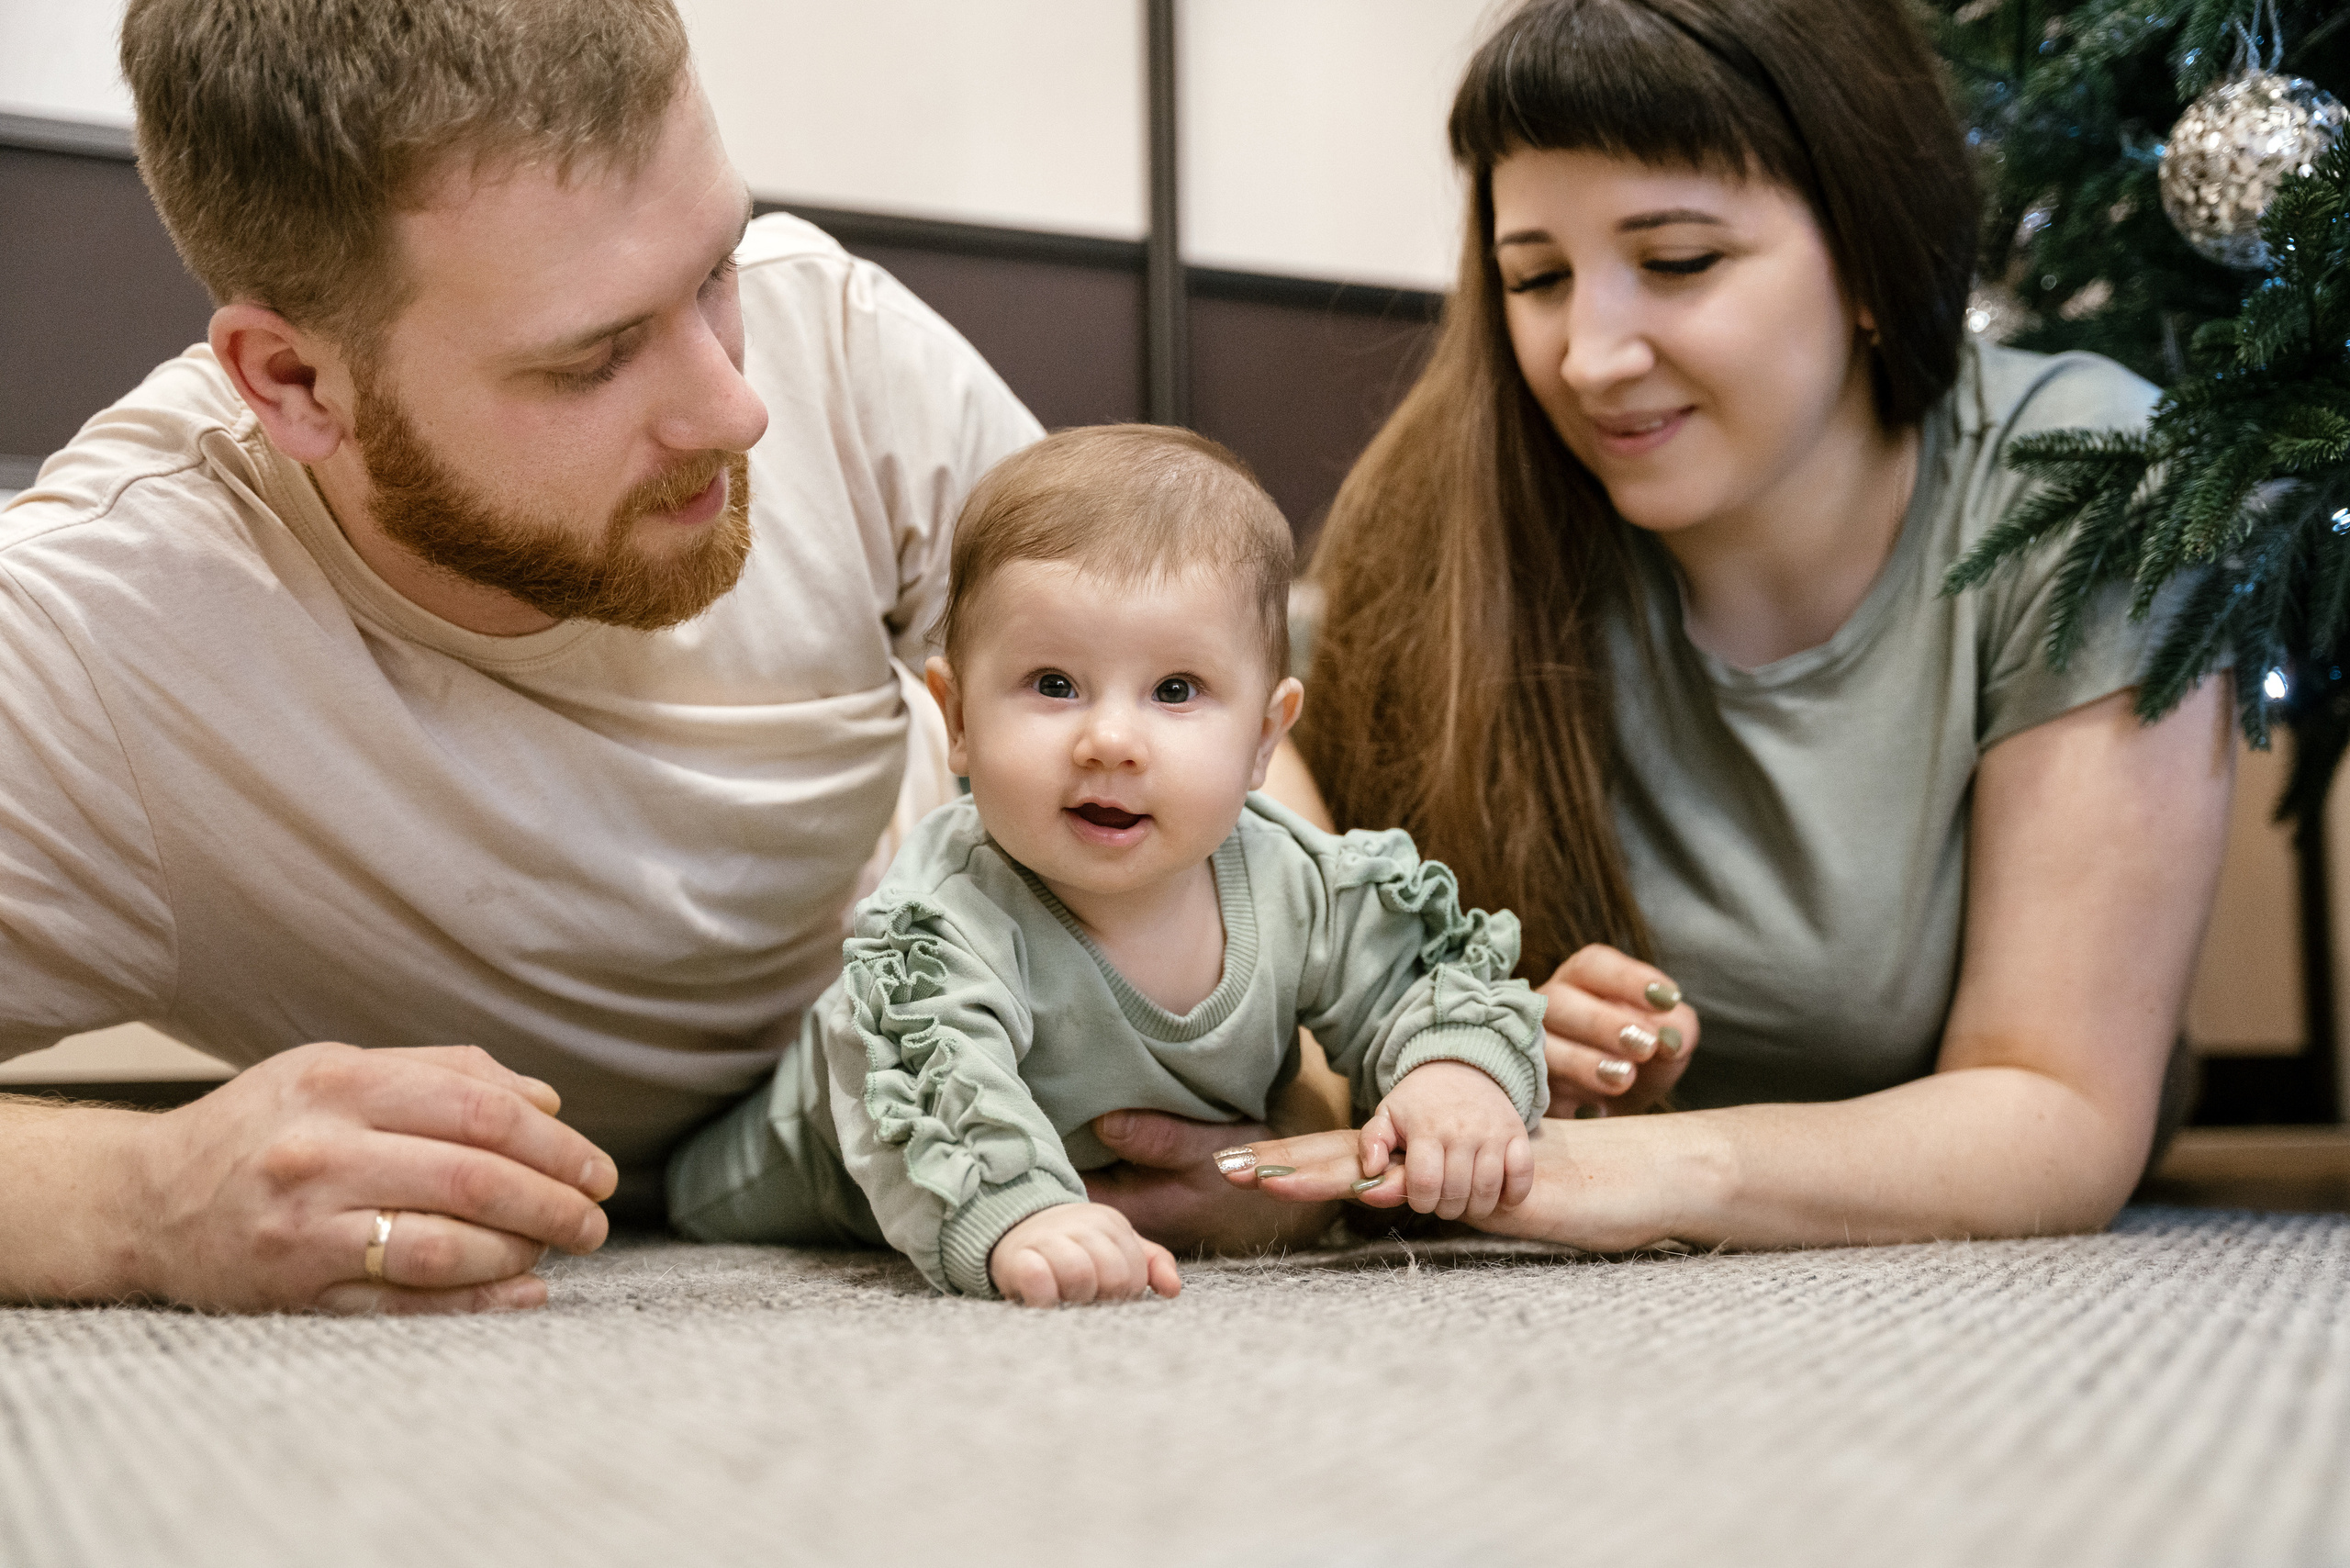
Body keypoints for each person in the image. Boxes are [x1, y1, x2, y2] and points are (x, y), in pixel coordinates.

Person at [0, 0, 1071, 1312]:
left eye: (713, 272)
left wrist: (1280, 1080)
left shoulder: (829, 333)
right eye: (597, 357)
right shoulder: (96, 637)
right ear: (292, 383)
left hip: (984, 1051)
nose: (740, 408)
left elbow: (1219, 724)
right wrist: (141, 1199)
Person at [1181, 0, 2234, 1249]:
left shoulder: (2086, 473)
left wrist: (1636, 1167)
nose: (1589, 357)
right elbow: (1226, 721)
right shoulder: (1450, 500)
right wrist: (1402, 1070)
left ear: (1870, 256)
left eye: (1678, 262)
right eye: (1538, 278)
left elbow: (2058, 1112)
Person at [666, 426, 1549, 1304]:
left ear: (1263, 739)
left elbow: (1419, 974)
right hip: (810, 1160)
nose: (1112, 742)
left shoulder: (1304, 884)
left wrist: (1454, 1074)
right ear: (959, 718)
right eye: (1055, 684)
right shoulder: (947, 916)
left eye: (1175, 691)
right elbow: (933, 1094)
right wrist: (1020, 1216)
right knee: (687, 1194)